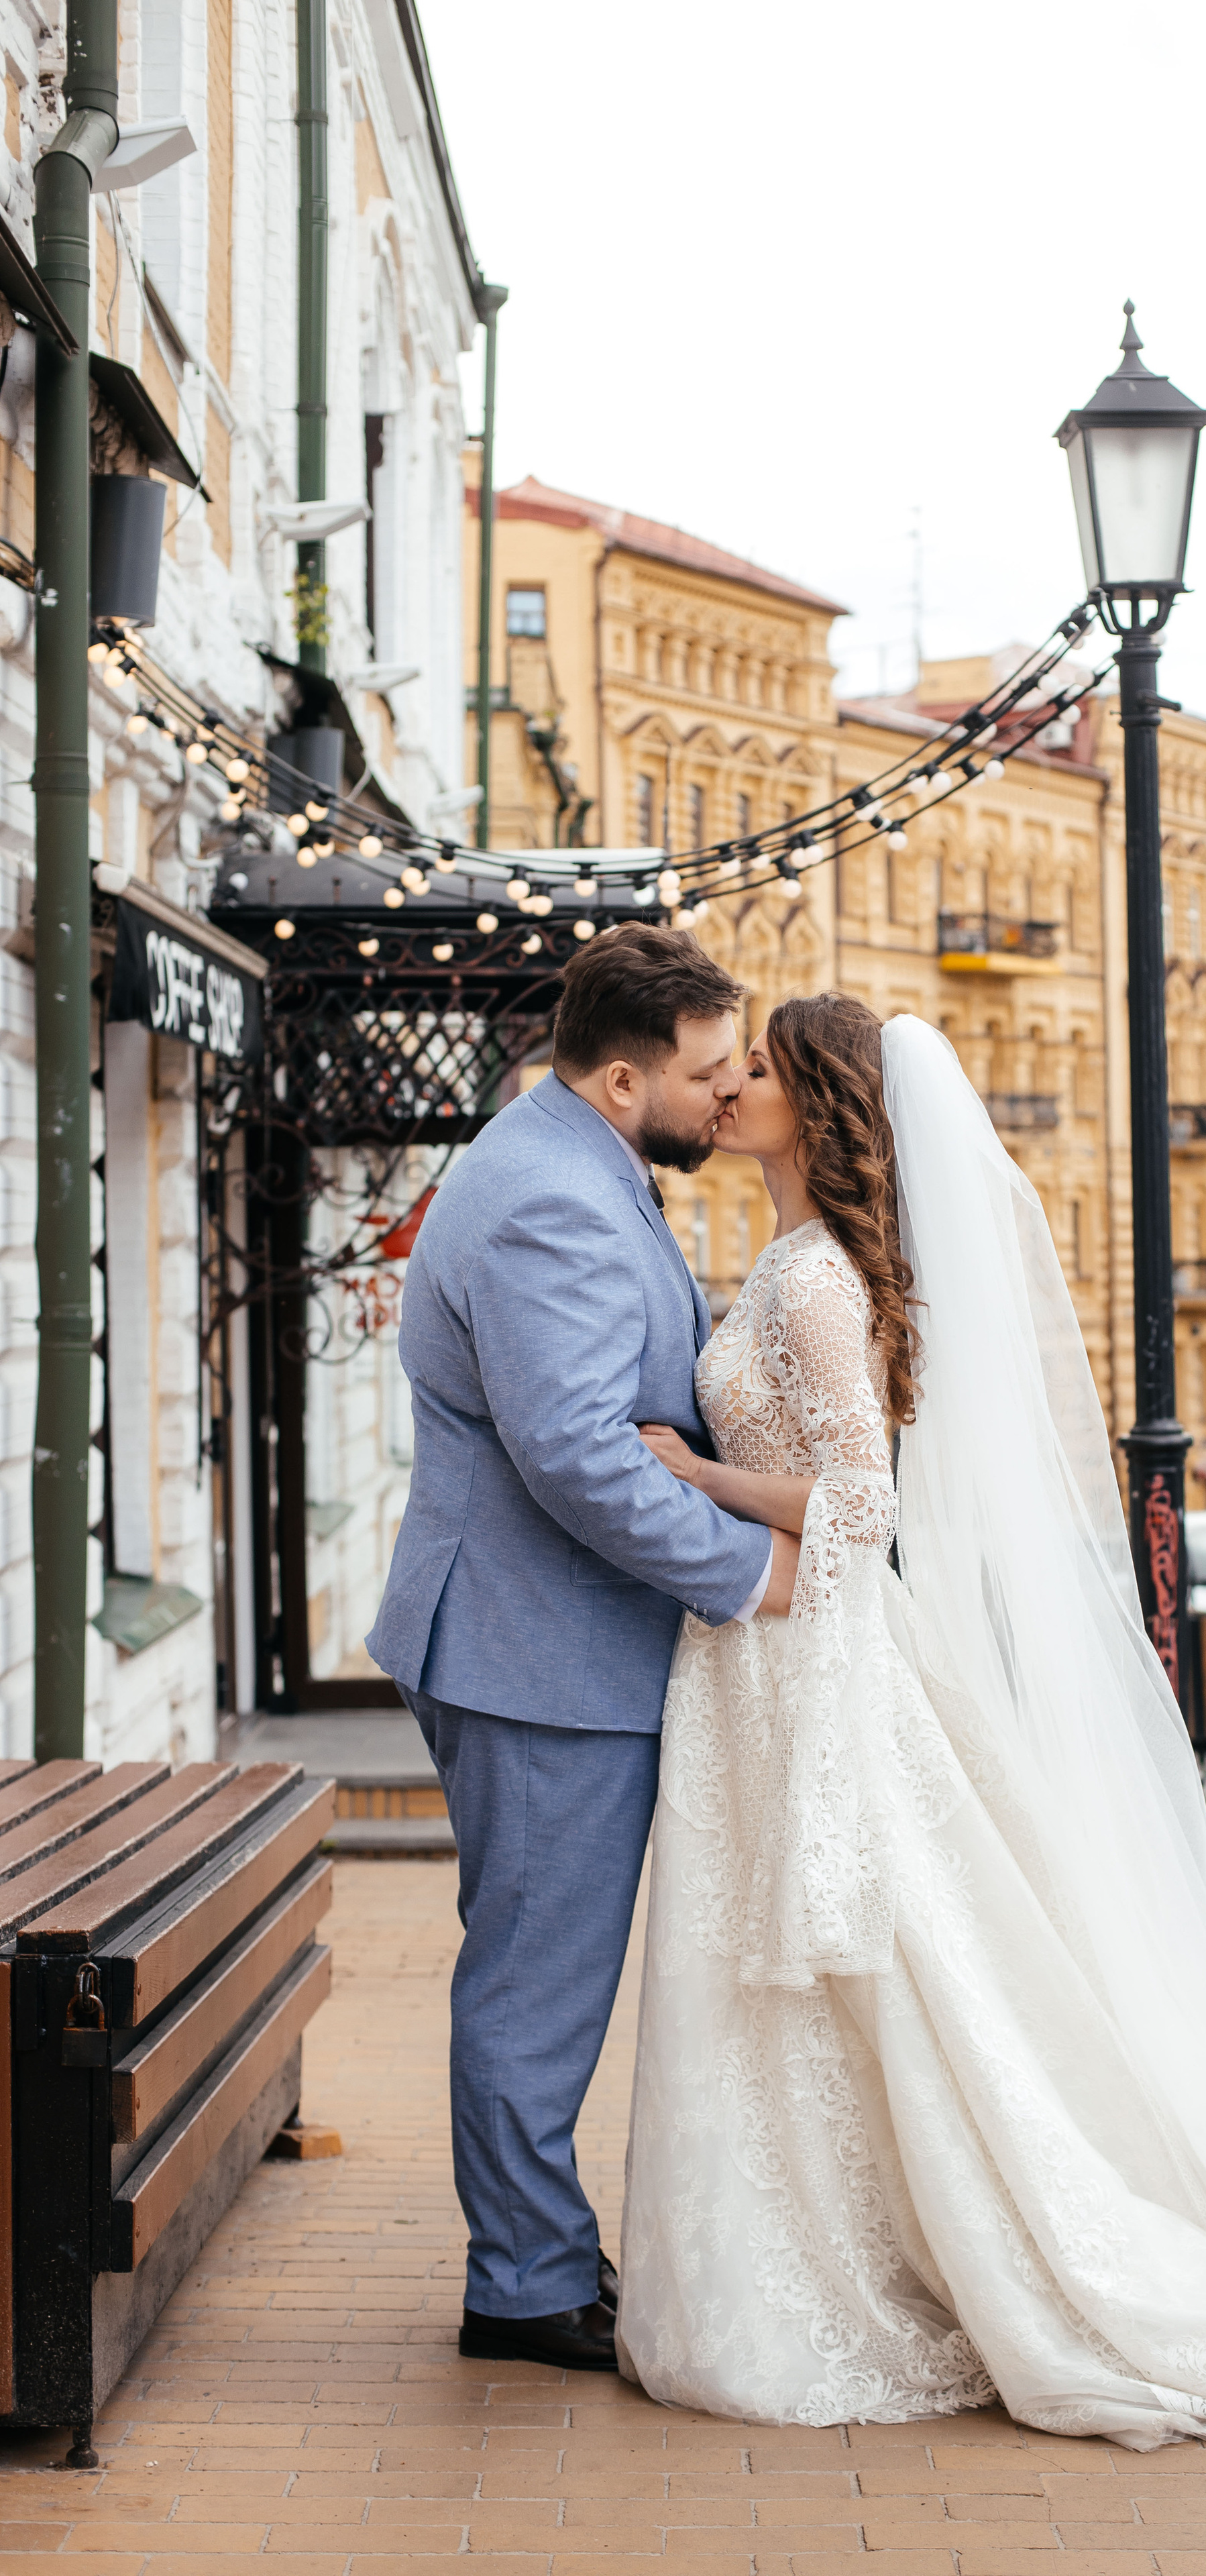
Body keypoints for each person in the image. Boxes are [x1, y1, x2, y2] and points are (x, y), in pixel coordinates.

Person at [620, 995, 1206, 2449]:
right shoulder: (787, 1260)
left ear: (817, 1106)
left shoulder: (816, 1280)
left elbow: (862, 1504)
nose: (729, 1085)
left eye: (755, 1068)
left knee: (887, 1967)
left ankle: (891, 2265)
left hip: (805, 1655)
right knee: (835, 1976)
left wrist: (697, 1478)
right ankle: (807, 2254)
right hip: (764, 1658)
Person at [366, 924, 800, 2373]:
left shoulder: (570, 1160)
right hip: (533, 1652)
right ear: (623, 1080)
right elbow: (575, 1453)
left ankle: (541, 2252)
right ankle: (525, 2287)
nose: (729, 1090)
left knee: (539, 1973)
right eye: (710, 1070)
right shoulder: (551, 1197)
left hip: (542, 1641)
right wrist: (752, 1573)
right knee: (537, 1983)